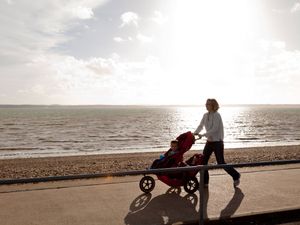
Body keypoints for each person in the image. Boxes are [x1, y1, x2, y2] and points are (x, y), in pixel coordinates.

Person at [193, 98, 240, 187]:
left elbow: (214, 129)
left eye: (208, 104)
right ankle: (205, 182)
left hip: (217, 142)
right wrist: (194, 133)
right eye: (206, 104)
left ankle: (236, 176)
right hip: (209, 142)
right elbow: (201, 125)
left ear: (213, 105)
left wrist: (203, 135)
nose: (206, 105)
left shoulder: (217, 115)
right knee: (203, 162)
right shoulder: (205, 115)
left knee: (221, 162)